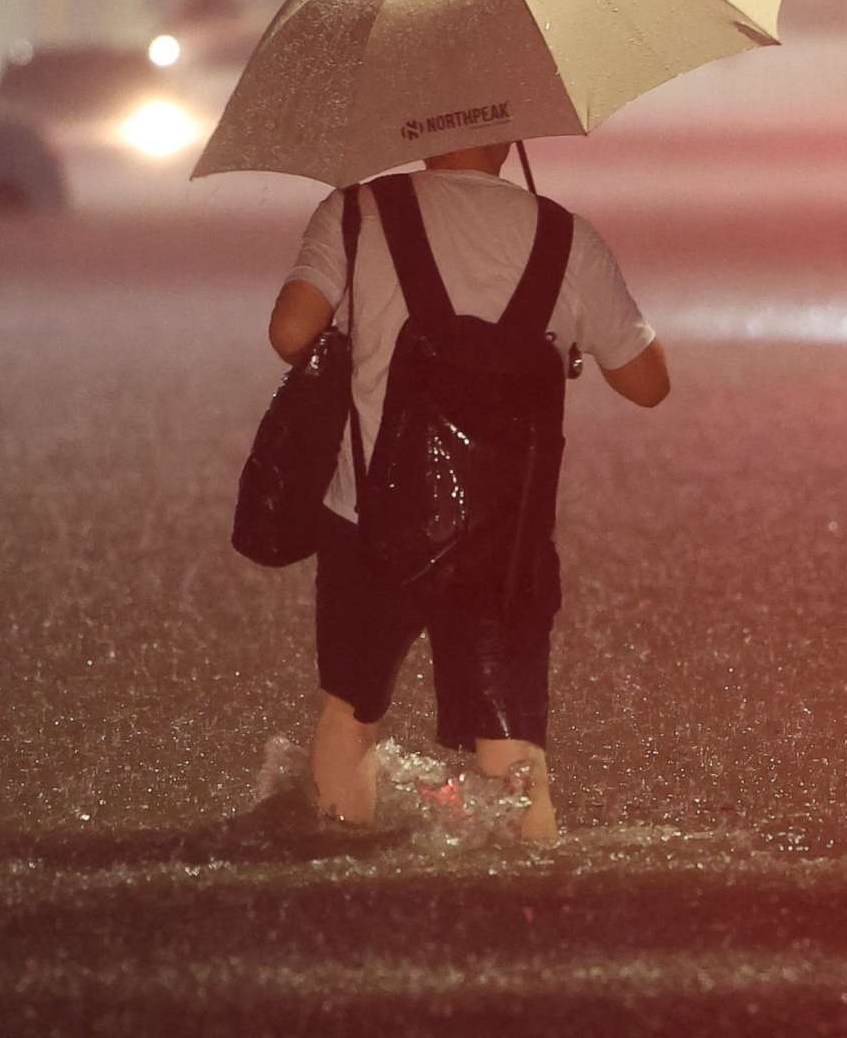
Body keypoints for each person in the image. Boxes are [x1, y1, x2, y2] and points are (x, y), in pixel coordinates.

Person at [266, 141, 670, 842]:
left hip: (367, 517)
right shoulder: (566, 235)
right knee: (511, 738)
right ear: (513, 134)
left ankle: (334, 858)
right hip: (504, 536)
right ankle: (526, 888)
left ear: (416, 129)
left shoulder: (357, 213)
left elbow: (289, 333)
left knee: (351, 712)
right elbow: (648, 384)